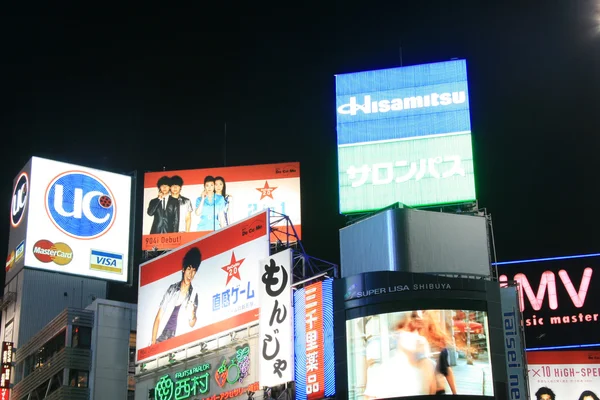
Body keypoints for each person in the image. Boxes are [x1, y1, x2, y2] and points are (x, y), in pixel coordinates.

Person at [151, 247, 201, 344]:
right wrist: (153, 343)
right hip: (162, 336)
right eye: (189, 269)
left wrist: (192, 314)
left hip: (177, 339)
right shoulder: (172, 289)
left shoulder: (194, 295)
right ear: (183, 269)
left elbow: (192, 323)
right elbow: (158, 318)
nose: (190, 274)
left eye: (194, 270)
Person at [419, 311, 457, 395]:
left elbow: (446, 369)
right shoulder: (419, 341)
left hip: (437, 390)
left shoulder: (438, 341)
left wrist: (455, 393)